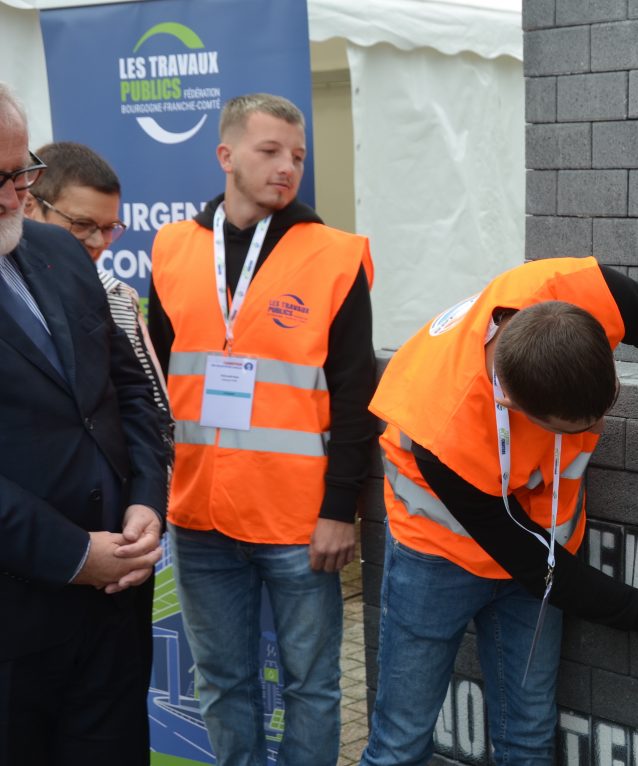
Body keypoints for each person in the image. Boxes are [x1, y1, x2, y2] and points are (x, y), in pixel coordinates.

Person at [361, 256, 638, 765]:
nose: (589, 432)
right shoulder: (441, 427)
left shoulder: (583, 291)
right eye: (571, 428)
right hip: (436, 557)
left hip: (538, 552)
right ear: (513, 406)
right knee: (400, 745)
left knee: (527, 739)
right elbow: (539, 568)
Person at [148, 93, 375, 766]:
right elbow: (158, 382)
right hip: (198, 516)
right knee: (221, 682)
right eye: (270, 151)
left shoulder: (336, 255)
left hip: (299, 521)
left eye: (298, 157)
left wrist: (340, 510)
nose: (287, 167)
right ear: (226, 155)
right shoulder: (172, 247)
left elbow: (359, 396)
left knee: (313, 686)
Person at [0, 82, 168, 765]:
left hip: (114, 607)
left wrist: (145, 502)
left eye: (19, 174)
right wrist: (75, 556)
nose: (13, 198)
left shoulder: (59, 252)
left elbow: (130, 393)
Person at [25, 141, 172, 463]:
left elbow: (153, 412)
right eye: (81, 225)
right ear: (29, 206)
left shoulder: (117, 296)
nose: (97, 243)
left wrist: (146, 500)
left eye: (109, 229)